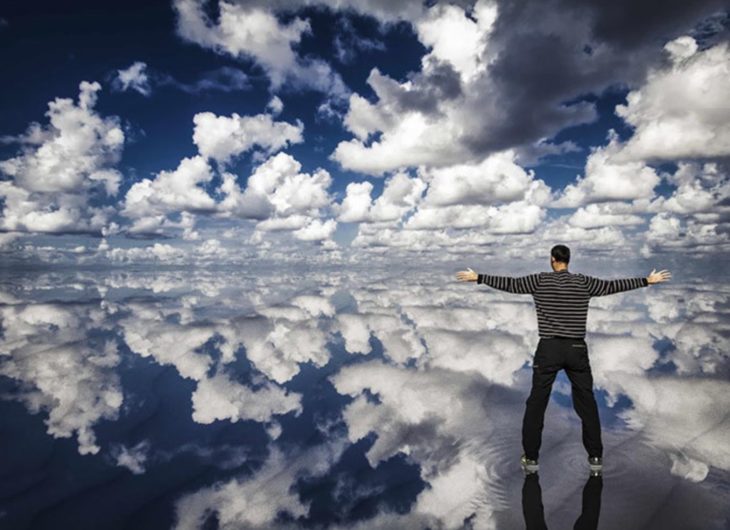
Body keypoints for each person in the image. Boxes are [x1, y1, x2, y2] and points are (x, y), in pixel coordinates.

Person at [455, 244, 671, 473]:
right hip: (576, 348)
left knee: (536, 405)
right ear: (568, 260)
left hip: (548, 348)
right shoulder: (583, 282)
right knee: (587, 404)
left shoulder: (540, 281)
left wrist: (478, 278)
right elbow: (612, 286)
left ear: (552, 259)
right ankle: (595, 458)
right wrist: (647, 281)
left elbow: (511, 284)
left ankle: (530, 459)